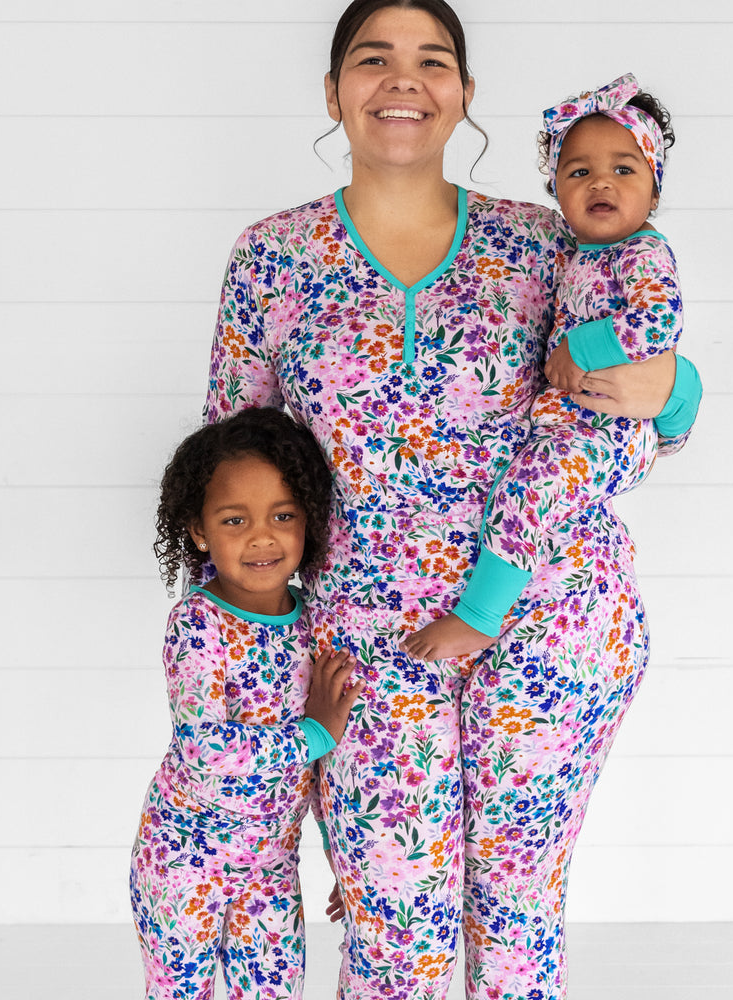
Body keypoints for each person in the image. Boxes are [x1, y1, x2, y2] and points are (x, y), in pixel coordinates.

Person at [204, 2, 702, 996]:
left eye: (431, 61)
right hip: (364, 644)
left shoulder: (545, 239)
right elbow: (237, 475)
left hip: (550, 621)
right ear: (334, 91)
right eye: (372, 58)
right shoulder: (272, 257)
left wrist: (677, 386)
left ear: (464, 94)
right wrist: (258, 674)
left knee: (515, 916)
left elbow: (643, 408)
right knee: (396, 924)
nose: (402, 79)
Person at [401, 72, 700, 661]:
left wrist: (582, 354)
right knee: (523, 491)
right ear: (557, 190)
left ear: (655, 191)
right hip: (577, 424)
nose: (601, 184)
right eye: (579, 171)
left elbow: (660, 325)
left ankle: (481, 616)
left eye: (624, 169)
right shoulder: (573, 252)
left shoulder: (643, 251)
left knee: (527, 493)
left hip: (606, 428)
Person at [129, 407, 364, 1000]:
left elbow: (321, 774)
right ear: (199, 530)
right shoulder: (197, 626)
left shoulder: (313, 623)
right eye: (235, 520)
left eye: (283, 515)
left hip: (270, 869)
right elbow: (206, 748)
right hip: (184, 859)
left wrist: (344, 859)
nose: (263, 537)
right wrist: (315, 730)